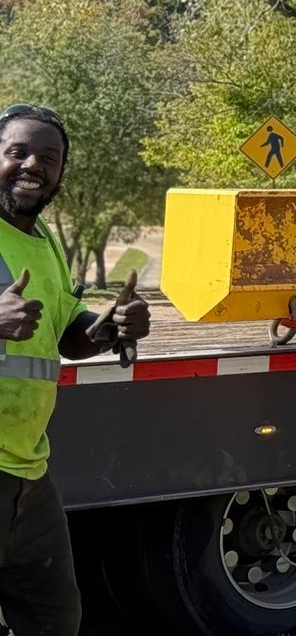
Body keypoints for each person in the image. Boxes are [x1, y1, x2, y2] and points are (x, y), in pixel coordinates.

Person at [0, 102, 151, 636]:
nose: (33, 166)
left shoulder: (44, 242)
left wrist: (113, 327)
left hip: (28, 473)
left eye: (49, 158)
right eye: (18, 152)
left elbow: (66, 335)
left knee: (54, 618)